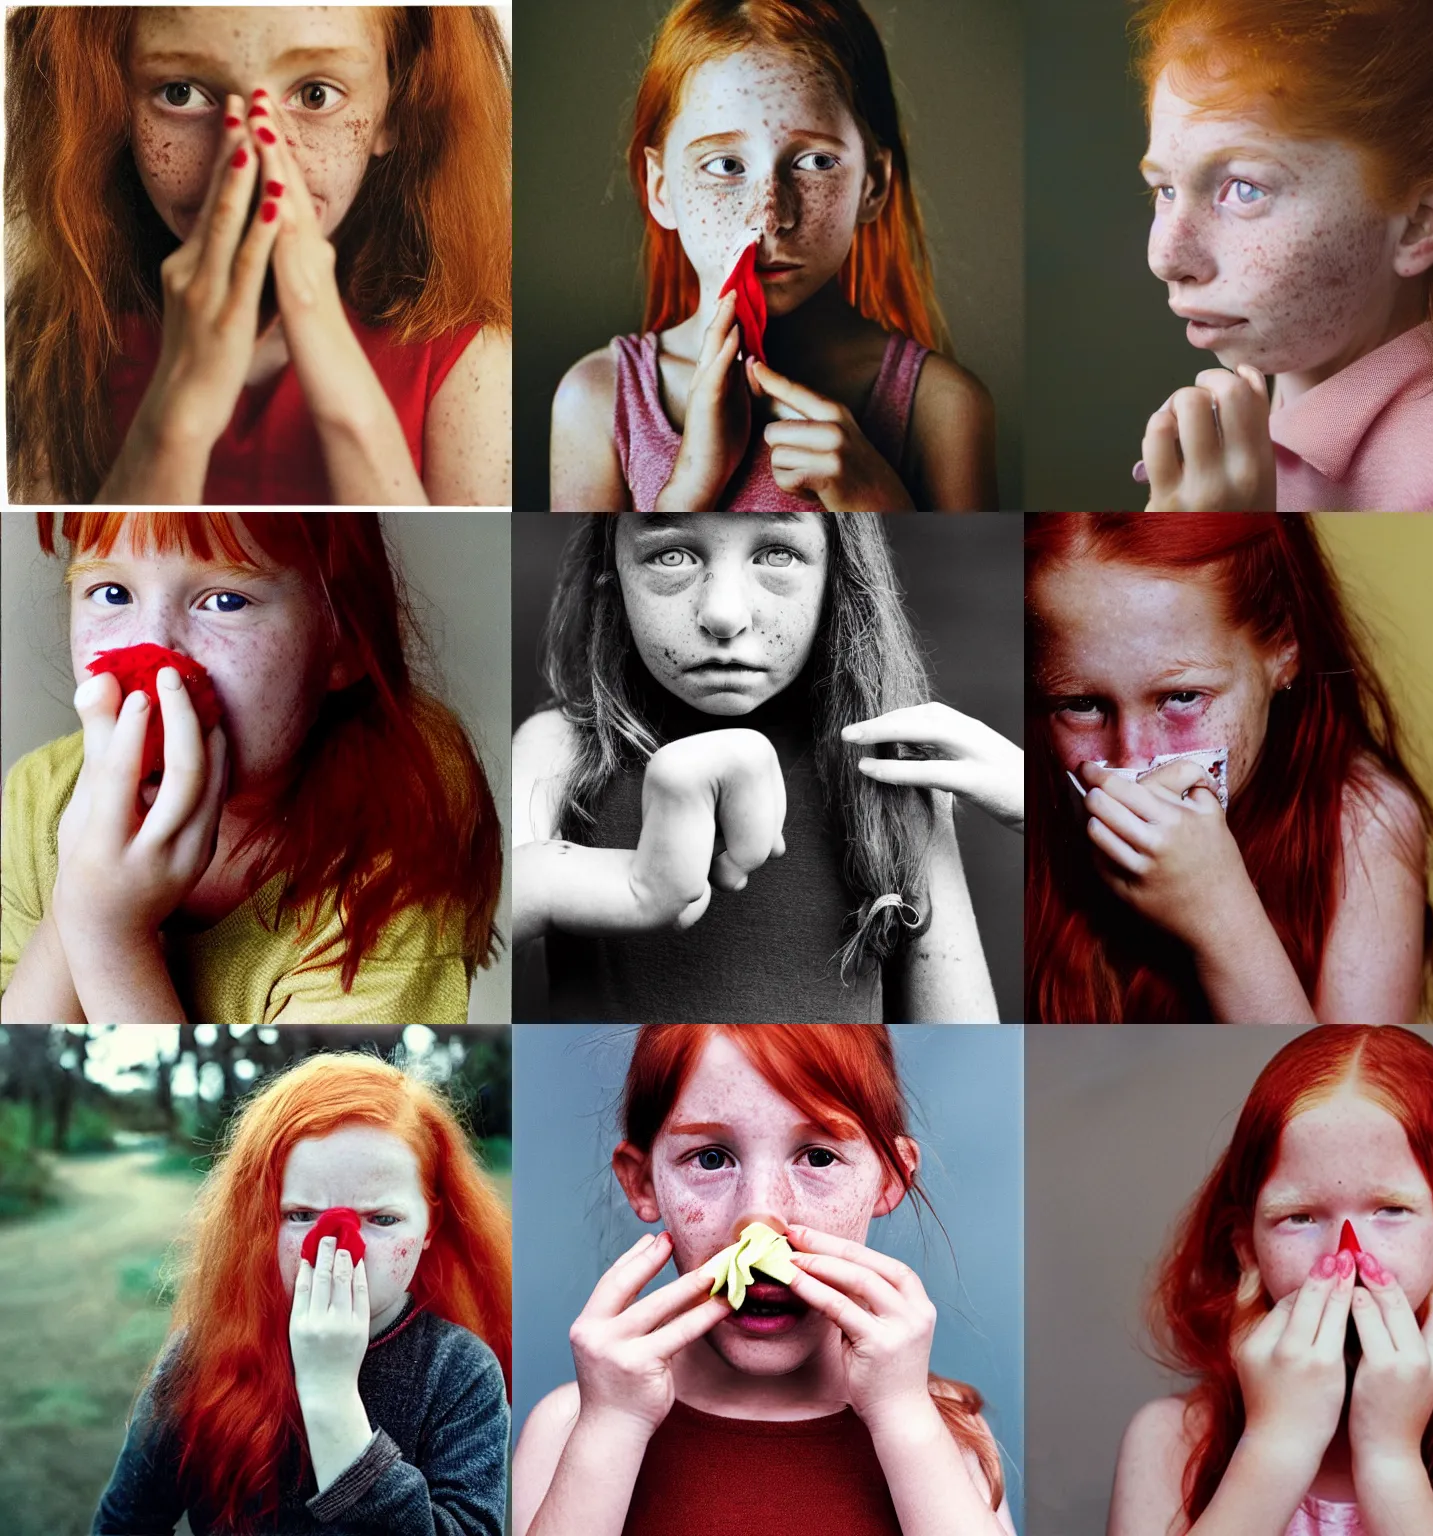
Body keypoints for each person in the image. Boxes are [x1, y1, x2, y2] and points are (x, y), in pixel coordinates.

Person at [511, 1023, 1014, 1535]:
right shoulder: (569, 1426)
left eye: (818, 1156)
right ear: (642, 1182)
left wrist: (902, 1414)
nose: (760, 1216)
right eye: (711, 1158)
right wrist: (610, 1427)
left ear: (889, 1176)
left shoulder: (943, 1428)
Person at [1, 512, 504, 1024]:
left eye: (225, 601)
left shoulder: (390, 871)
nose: (152, 654)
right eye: (112, 593)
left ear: (344, 638)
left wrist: (107, 932)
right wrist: (79, 888)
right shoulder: (37, 795)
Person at [513, 511, 1013, 1023]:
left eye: (778, 554)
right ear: (613, 572)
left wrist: (1048, 813)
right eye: (671, 555)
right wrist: (632, 886)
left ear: (835, 576)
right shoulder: (559, 748)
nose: (724, 615)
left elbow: (963, 1047)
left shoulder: (891, 769)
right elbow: (444, 937)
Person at [5, 5, 511, 505]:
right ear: (115, 110)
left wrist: (344, 401)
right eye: (180, 93)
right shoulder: (51, 335)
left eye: (316, 94)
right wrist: (174, 425)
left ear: (392, 110)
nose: (252, 162)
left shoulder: (473, 359)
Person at [549, 0, 997, 512]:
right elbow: (596, 593)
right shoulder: (598, 401)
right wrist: (693, 484)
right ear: (660, 188)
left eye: (815, 161)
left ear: (872, 184)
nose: (769, 216)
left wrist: (882, 511)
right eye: (724, 165)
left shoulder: (941, 409)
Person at [1026, 514, 1433, 1023]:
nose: (1134, 759)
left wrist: (1223, 918)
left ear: (1283, 646)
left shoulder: (1364, 824)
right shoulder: (1024, 800)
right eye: (1080, 704)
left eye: (1182, 697)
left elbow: (1330, 1076)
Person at [1107, 1025, 1433, 1536]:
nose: (1346, 1253)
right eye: (1301, 1217)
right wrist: (1274, 1446)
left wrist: (1391, 1460)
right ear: (1245, 1246)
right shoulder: (1167, 1441)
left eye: (1393, 1209)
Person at [1129, 0, 1433, 512]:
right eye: (1164, 189)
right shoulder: (1234, 426)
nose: (1165, 258)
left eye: (1245, 189)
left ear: (1416, 225)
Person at [90, 1051, 510, 1535]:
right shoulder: (203, 1356)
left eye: (383, 1219)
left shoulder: (461, 1374)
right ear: (262, 1220)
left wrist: (331, 1396)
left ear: (430, 1225)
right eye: (302, 1215)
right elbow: (124, 1523)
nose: (337, 1249)